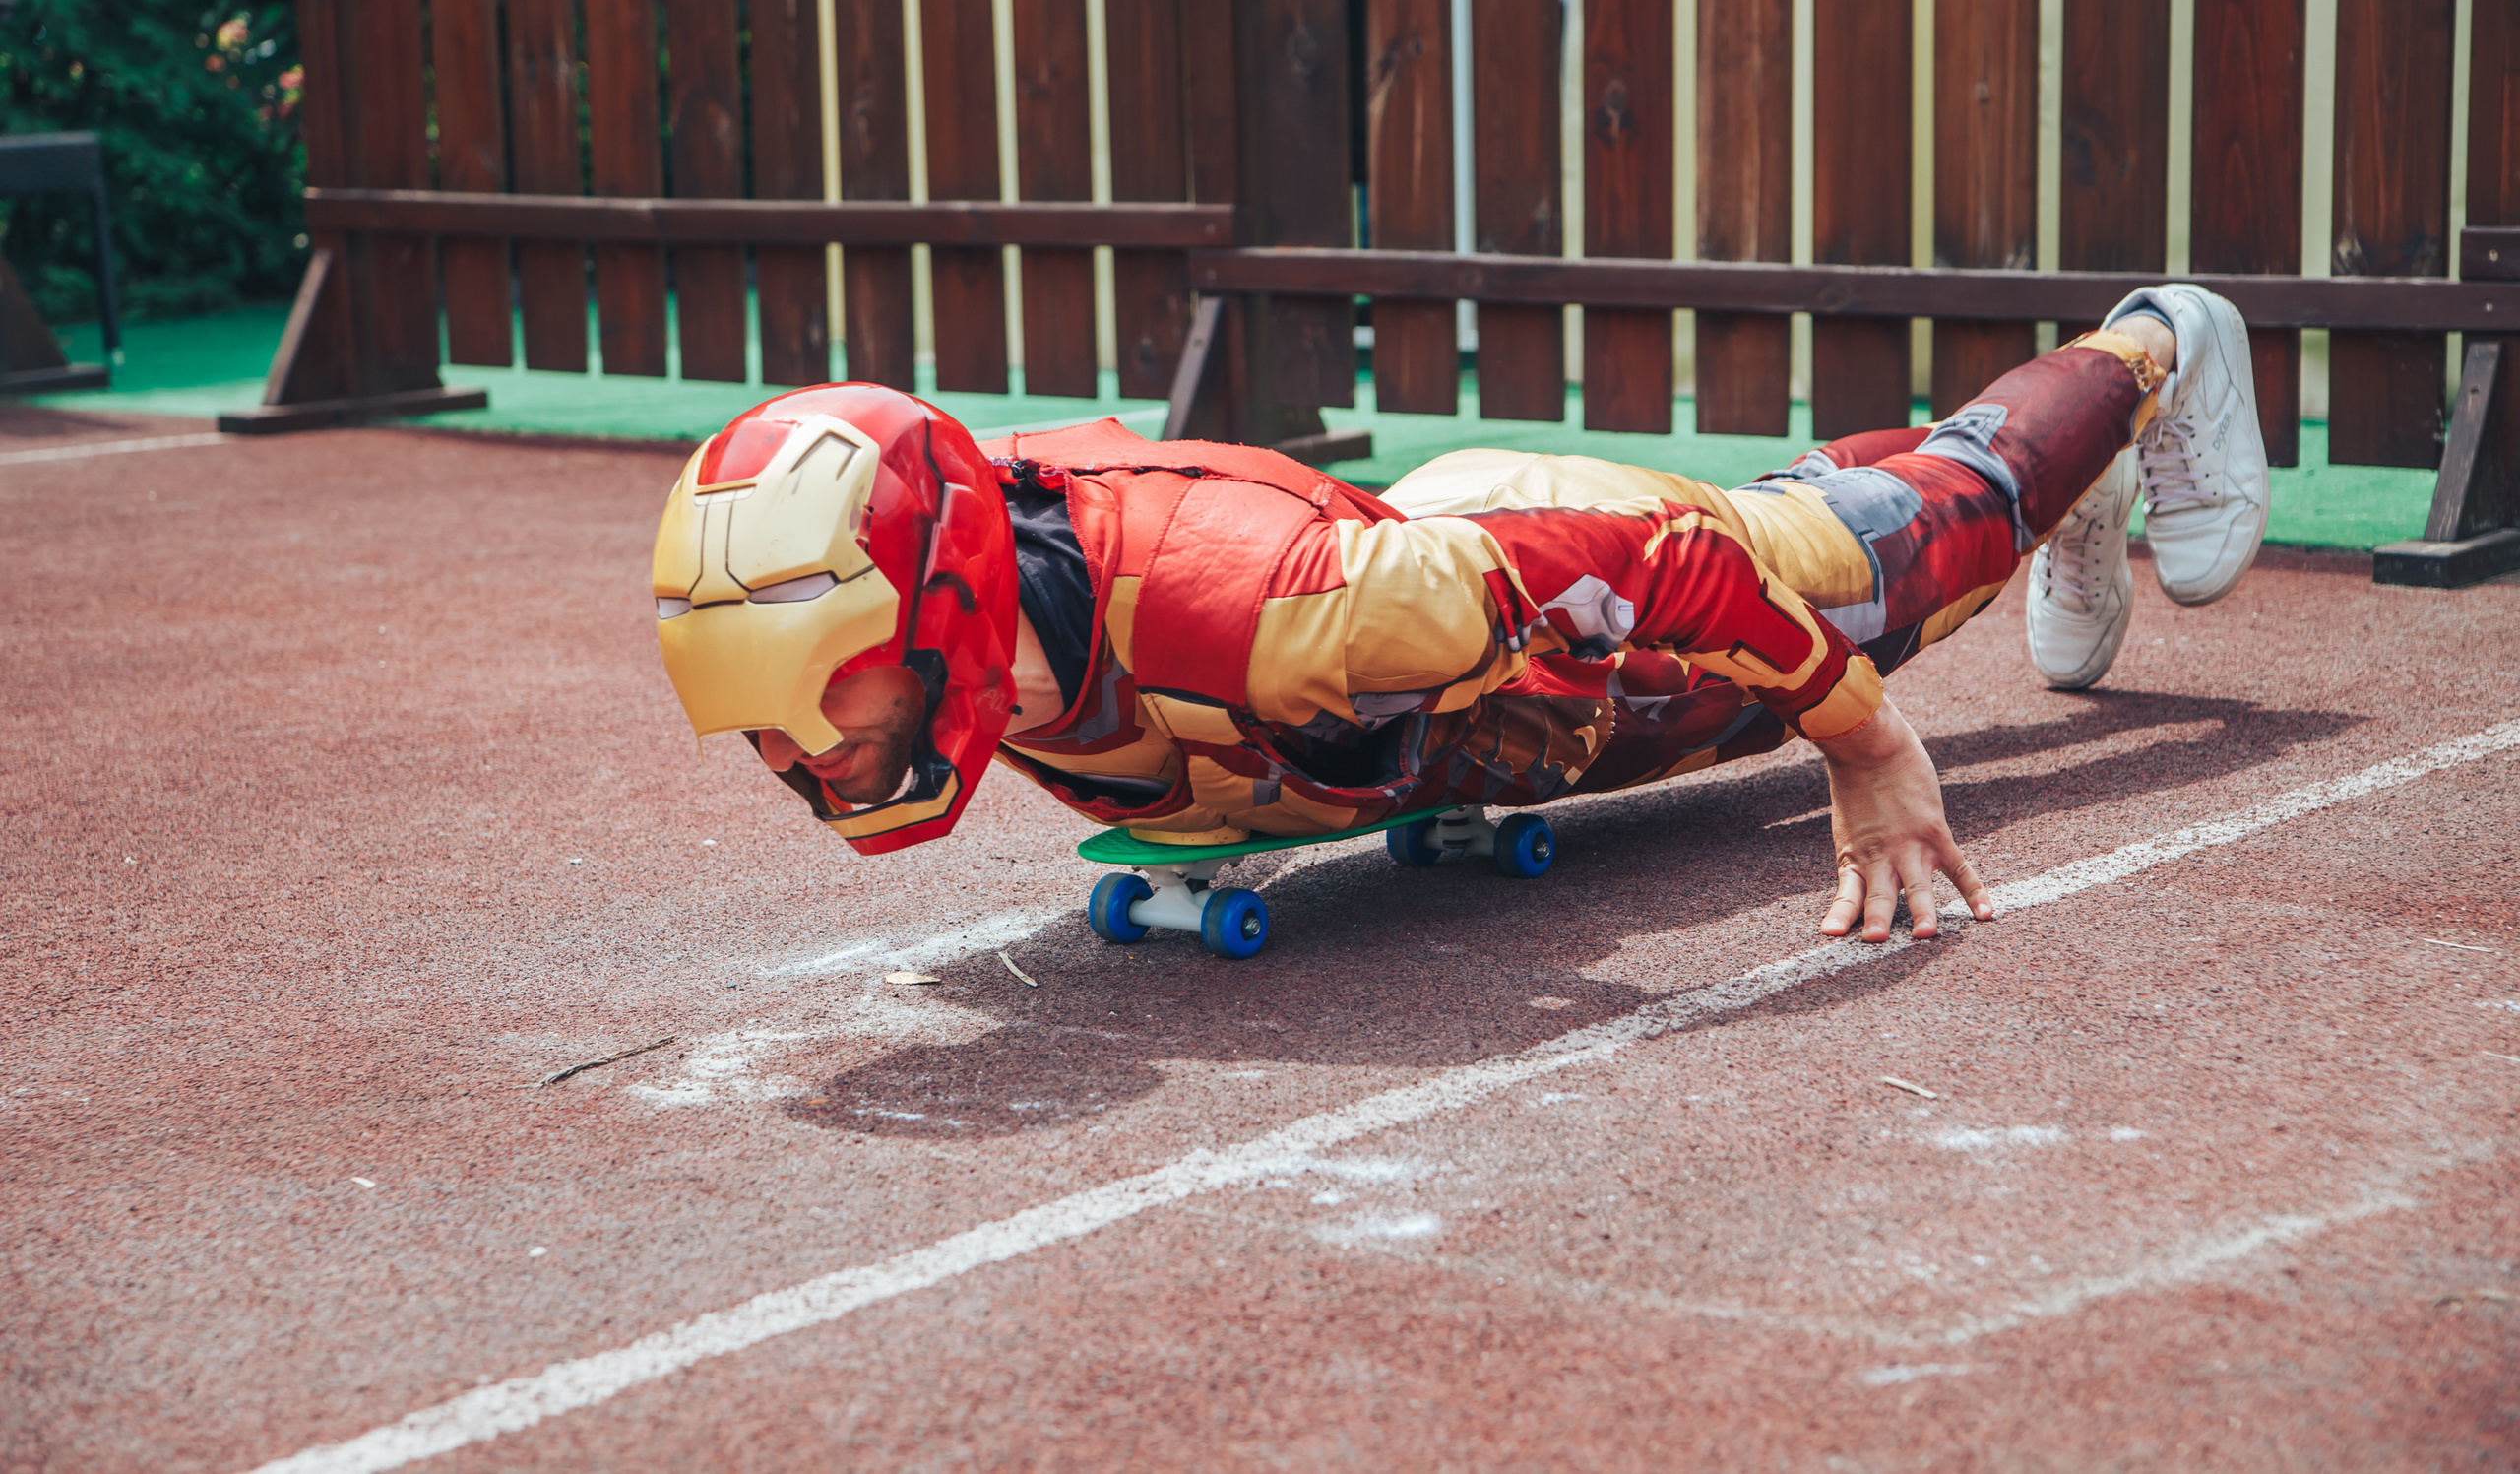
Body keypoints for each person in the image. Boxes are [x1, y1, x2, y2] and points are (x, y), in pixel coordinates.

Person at [652, 286, 2267, 945]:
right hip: (1430, 593)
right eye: (784, 746)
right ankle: (2096, 482)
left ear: (949, 617)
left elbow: (1662, 582)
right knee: (1827, 512)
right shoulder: (966, 567)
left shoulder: (1278, 614)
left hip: (1559, 593)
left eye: (848, 725)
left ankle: (2157, 348)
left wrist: (1862, 741)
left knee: (1906, 553)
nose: (823, 773)